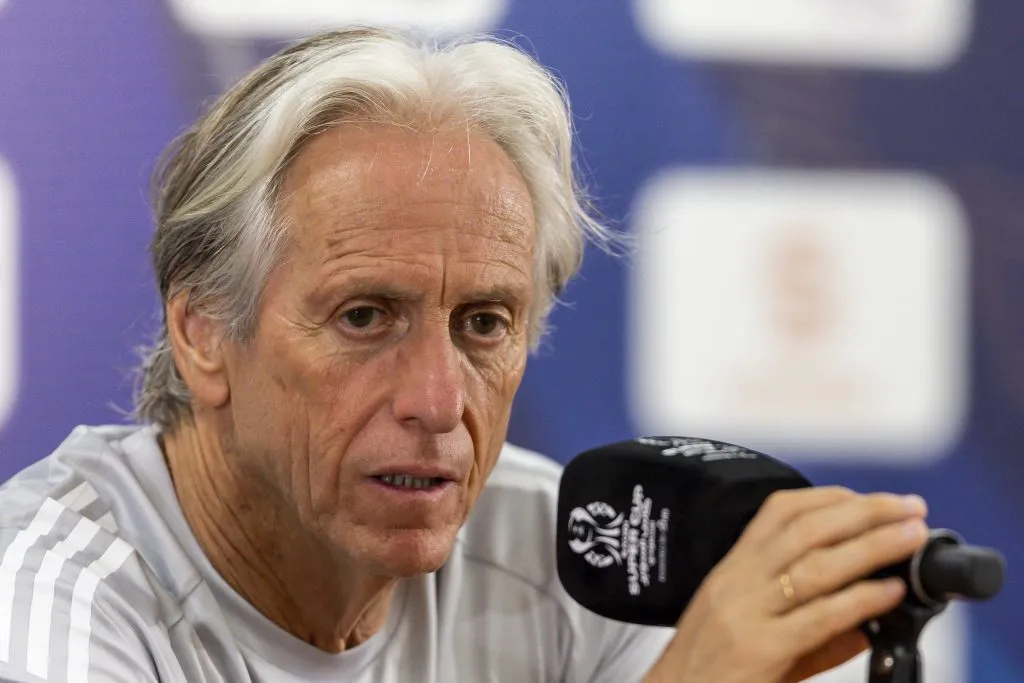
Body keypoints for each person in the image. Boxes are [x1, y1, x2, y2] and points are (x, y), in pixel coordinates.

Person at [0, 28, 929, 683]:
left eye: (484, 323)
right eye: (366, 316)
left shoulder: (578, 559)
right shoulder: (49, 595)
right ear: (203, 332)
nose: (440, 402)